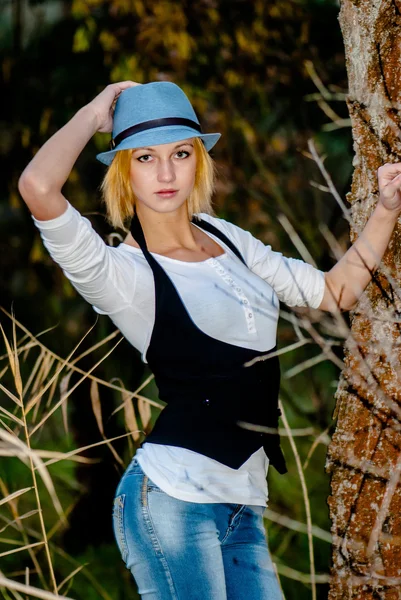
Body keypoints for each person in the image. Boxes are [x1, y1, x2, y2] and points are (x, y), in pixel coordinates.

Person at [18, 80, 401, 599]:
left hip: (244, 504)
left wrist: (386, 209)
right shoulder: (120, 273)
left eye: (179, 153)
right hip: (173, 502)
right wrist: (92, 111)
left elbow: (333, 292)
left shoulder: (227, 238)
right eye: (145, 158)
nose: (167, 172)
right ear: (123, 171)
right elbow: (38, 187)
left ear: (199, 159)